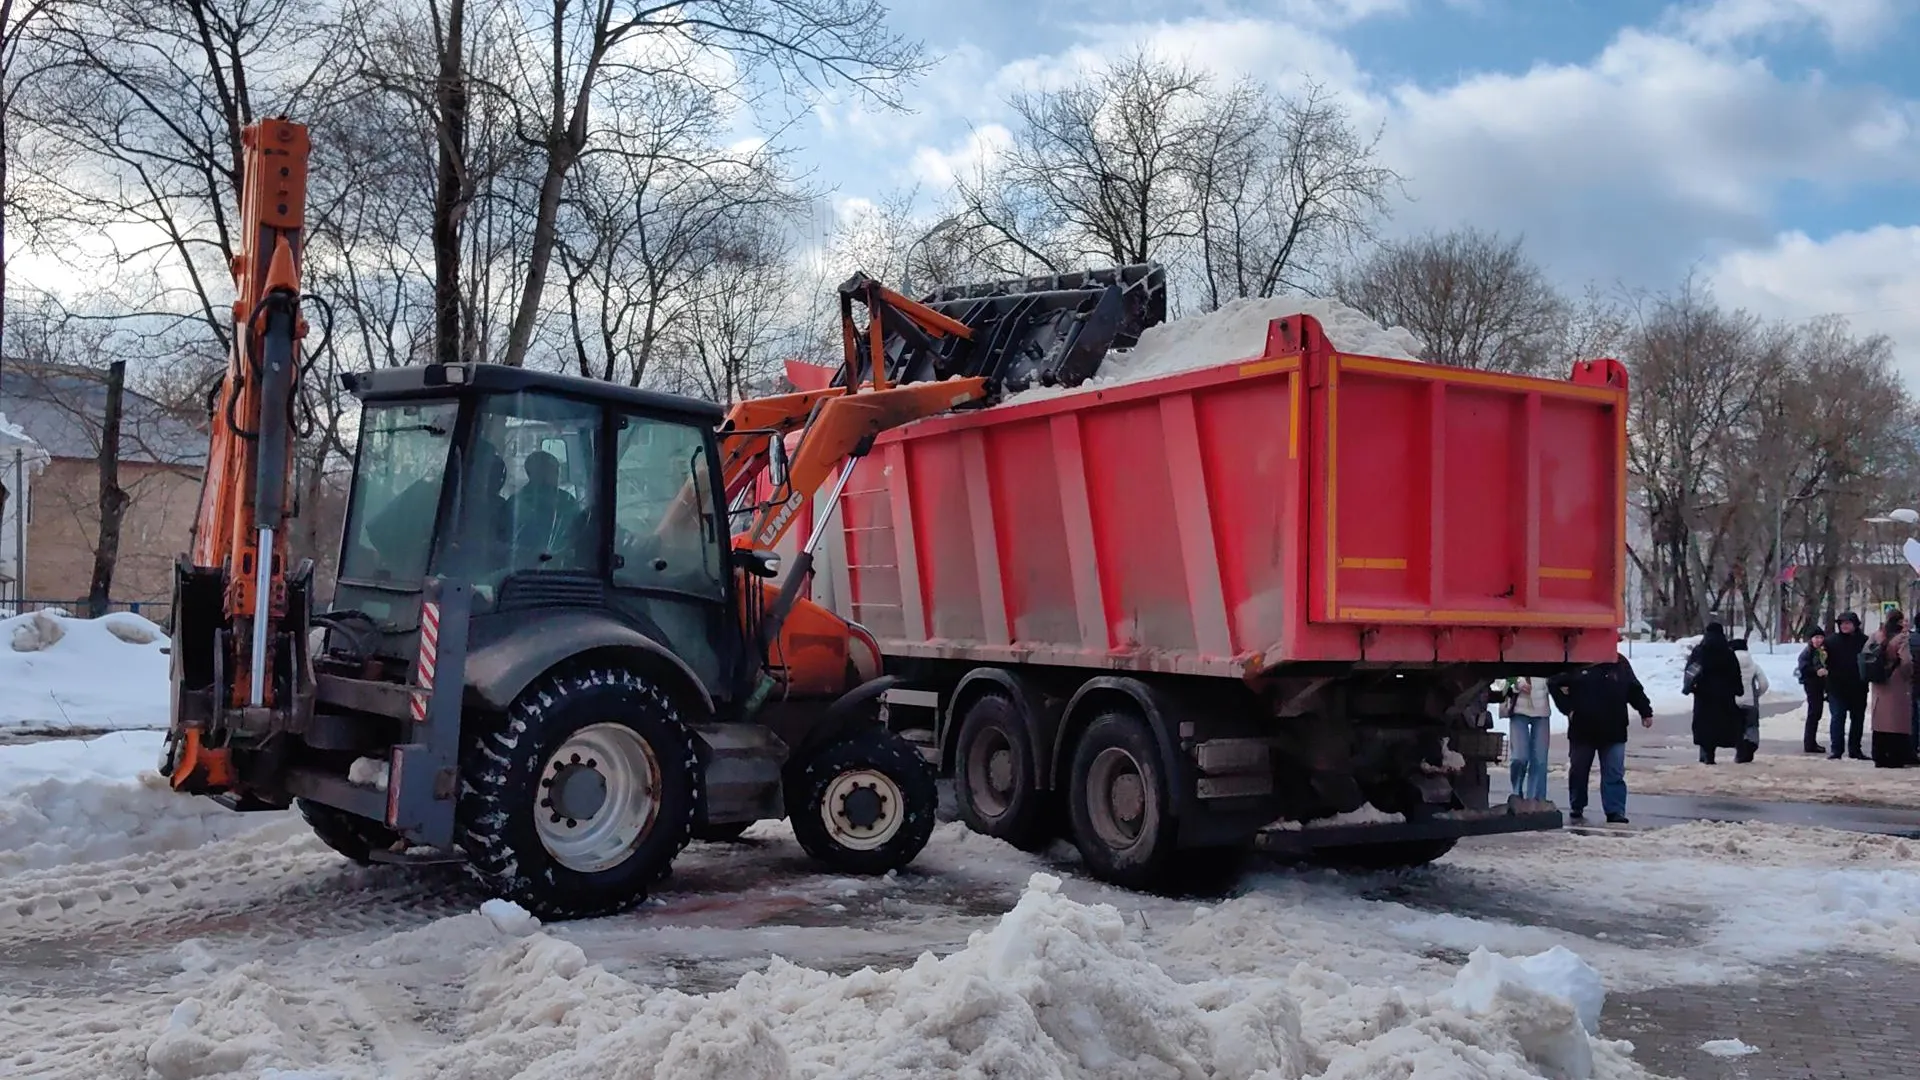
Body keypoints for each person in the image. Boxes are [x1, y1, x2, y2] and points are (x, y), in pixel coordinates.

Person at [1549, 653, 1655, 824]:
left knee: (1614, 772)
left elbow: (1633, 689)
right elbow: (1553, 683)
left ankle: (1615, 811)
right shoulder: (1577, 661)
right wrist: (1568, 708)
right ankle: (1577, 805)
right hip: (1582, 729)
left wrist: (1645, 711)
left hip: (1615, 728)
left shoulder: (1620, 662)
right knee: (1579, 771)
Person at [507, 449, 585, 565]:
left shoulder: (567, 501)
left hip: (563, 567)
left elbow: (579, 532)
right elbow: (505, 542)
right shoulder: (516, 503)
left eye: (555, 471)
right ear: (532, 473)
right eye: (551, 471)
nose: (556, 476)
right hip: (522, 570)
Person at [1683, 622, 1744, 764]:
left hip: (1704, 694)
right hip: (1724, 695)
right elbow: (1736, 673)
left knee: (1704, 724)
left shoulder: (1700, 650)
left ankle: (1706, 753)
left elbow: (1692, 670)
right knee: (1720, 723)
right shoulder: (1728, 652)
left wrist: (1689, 687)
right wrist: (1738, 689)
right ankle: (1715, 750)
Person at [1868, 610, 1915, 768]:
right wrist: (1907, 675)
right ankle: (1896, 757)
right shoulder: (1901, 638)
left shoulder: (1876, 635)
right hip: (1896, 682)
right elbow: (1907, 661)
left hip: (1879, 681)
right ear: (1900, 622)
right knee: (1897, 720)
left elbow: (1865, 654)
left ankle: (1879, 756)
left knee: (1880, 721)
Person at [1824, 611, 1870, 760]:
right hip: (1837, 687)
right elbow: (1821, 660)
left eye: (1848, 623)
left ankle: (1855, 749)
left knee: (1857, 719)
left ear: (1855, 625)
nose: (1844, 626)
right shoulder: (1831, 641)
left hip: (1858, 687)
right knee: (1838, 717)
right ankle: (1836, 749)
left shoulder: (1865, 641)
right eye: (1842, 623)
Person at [1503, 676, 1554, 801]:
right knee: (1519, 757)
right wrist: (1516, 682)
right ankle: (1516, 793)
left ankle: (1536, 800)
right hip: (1518, 708)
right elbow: (1505, 672)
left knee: (1540, 759)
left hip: (1541, 708)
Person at [1730, 637, 1769, 763]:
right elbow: (1764, 683)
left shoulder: (1729, 664)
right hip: (1750, 702)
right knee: (1751, 725)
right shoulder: (1754, 665)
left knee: (1737, 727)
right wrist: (1757, 693)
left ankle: (1740, 750)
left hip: (1734, 701)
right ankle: (1751, 744)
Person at [1796, 627, 1829, 755]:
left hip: (1821, 685)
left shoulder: (1822, 651)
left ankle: (1811, 742)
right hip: (1812, 685)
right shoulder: (1808, 652)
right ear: (1811, 639)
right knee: (1814, 713)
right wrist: (1816, 671)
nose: (1819, 640)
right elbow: (1803, 668)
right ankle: (1809, 743)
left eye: (1821, 637)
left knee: (1816, 713)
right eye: (1816, 638)